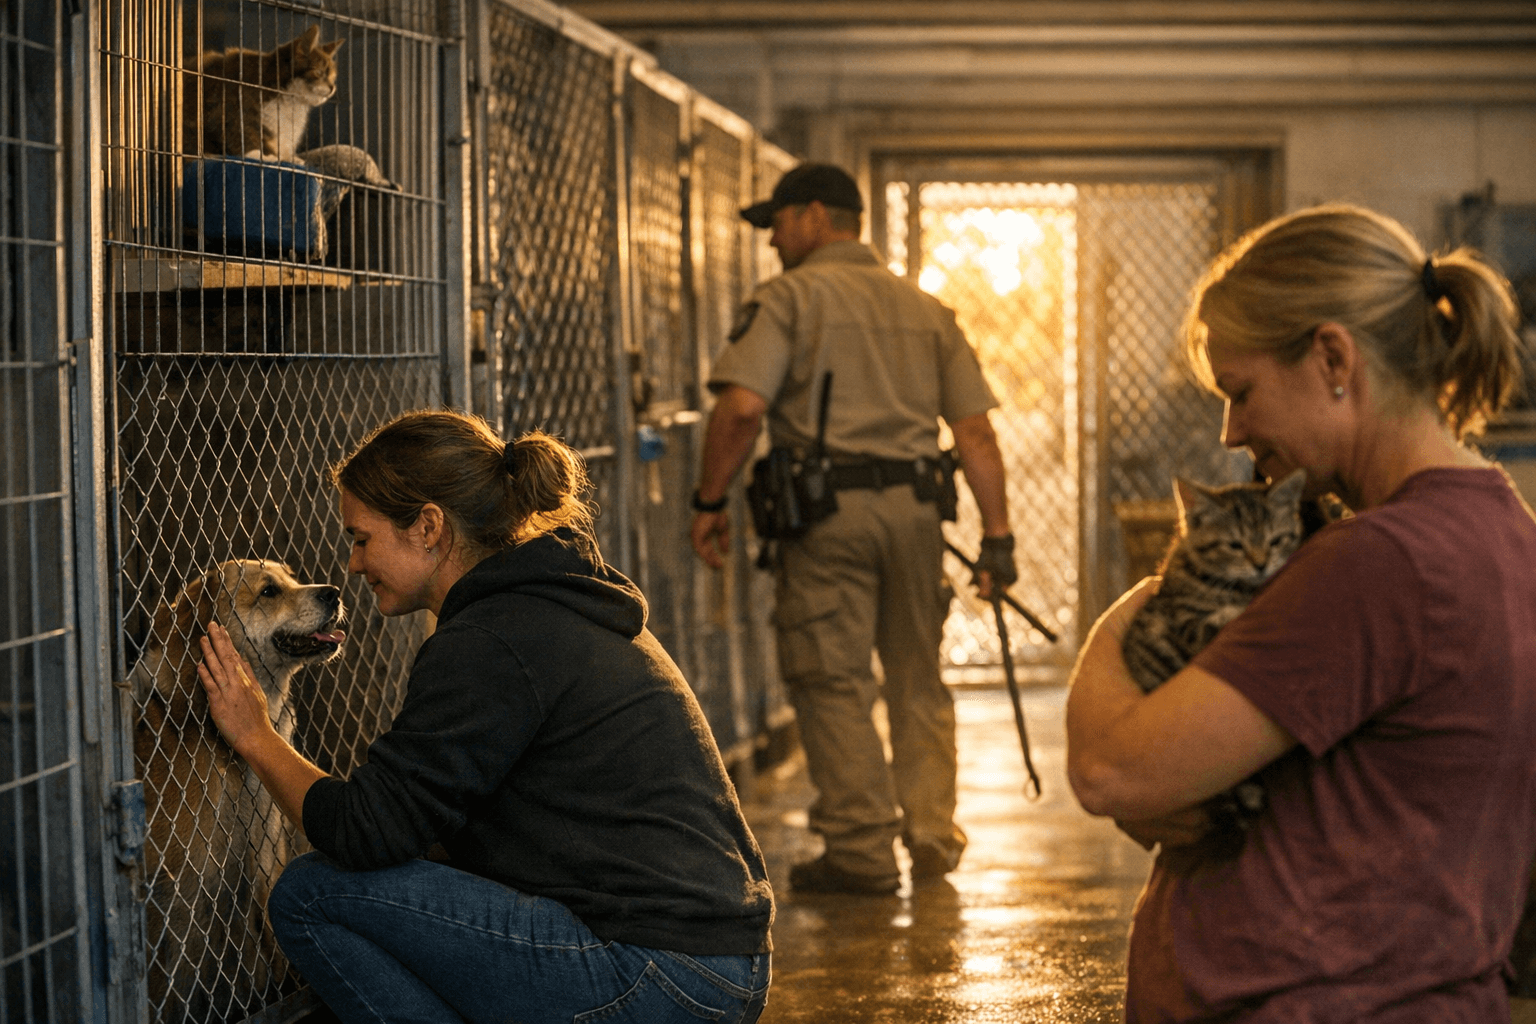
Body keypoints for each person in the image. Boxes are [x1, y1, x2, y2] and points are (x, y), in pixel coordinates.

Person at [1065, 203, 1536, 1021]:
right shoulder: (1503, 531)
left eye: (1241, 392)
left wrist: (1154, 600)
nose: (1232, 429)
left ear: (1332, 357)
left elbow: (1113, 769)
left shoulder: (1379, 562)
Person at [197, 410, 774, 1024]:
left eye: (361, 539)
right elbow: (424, 822)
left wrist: (255, 736)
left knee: (312, 893)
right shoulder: (550, 599)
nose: (353, 565)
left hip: (661, 973)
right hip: (715, 960)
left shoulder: (491, 641)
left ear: (427, 527)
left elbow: (364, 829)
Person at [689, 162, 1016, 894]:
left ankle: (863, 851)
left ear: (813, 215)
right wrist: (998, 539)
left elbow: (741, 410)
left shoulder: (789, 298)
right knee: (917, 676)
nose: (772, 238)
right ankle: (931, 833)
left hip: (828, 516)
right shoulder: (927, 309)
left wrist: (710, 503)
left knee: (830, 678)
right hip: (917, 516)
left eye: (777, 221)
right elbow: (977, 434)